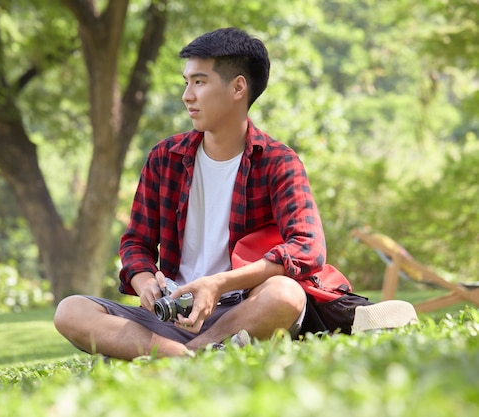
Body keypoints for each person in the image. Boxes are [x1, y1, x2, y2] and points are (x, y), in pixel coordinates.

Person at [54, 27, 328, 360]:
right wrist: (143, 283)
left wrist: (218, 284)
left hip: (241, 310)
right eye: (186, 82)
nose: (187, 95)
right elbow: (135, 242)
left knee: (285, 296)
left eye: (199, 82)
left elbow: (307, 248)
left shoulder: (277, 161)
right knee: (70, 310)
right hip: (171, 313)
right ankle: (189, 355)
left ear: (238, 87)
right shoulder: (164, 157)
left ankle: (179, 354)